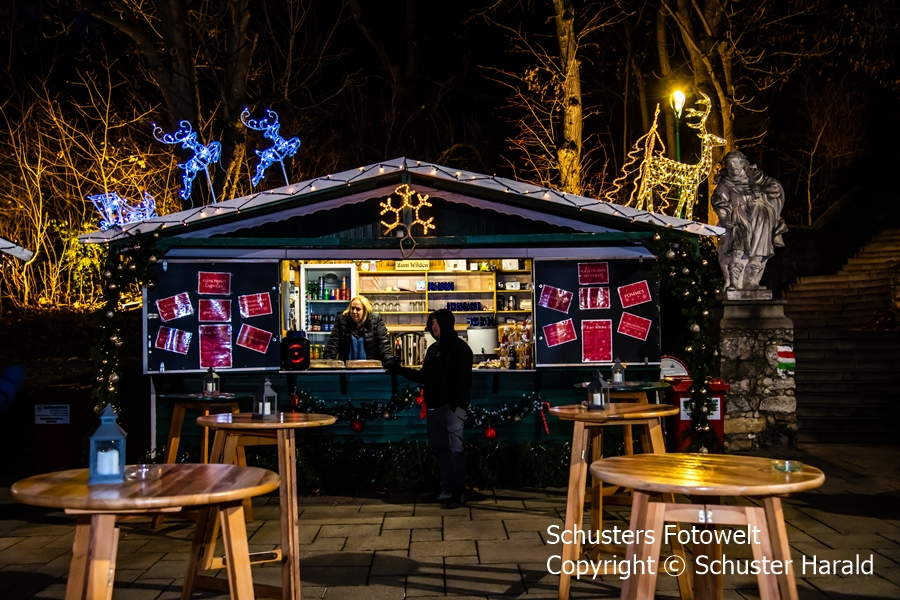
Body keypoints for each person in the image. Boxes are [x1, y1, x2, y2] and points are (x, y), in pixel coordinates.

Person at [391, 309, 473, 508]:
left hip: (451, 408)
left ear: (447, 323)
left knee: (455, 450)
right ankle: (446, 490)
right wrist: (399, 370)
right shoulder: (433, 349)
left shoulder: (460, 349)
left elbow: (464, 381)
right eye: (432, 323)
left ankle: (458, 493)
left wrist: (456, 406)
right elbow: (424, 376)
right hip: (434, 407)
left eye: (437, 322)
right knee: (442, 450)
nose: (434, 326)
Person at [712, 150, 788, 291]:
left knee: (759, 251)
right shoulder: (726, 182)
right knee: (738, 248)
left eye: (735, 162)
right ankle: (734, 283)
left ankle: (751, 282)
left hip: (761, 218)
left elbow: (775, 188)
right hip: (740, 216)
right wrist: (724, 217)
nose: (732, 166)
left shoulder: (757, 178)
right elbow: (719, 201)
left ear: (743, 163)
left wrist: (761, 189)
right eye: (729, 163)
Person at [323, 295, 394, 365]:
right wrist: (328, 363)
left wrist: (389, 361)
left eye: (358, 309)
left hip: (369, 367)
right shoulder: (342, 320)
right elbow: (333, 344)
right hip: (347, 368)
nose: (354, 311)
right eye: (352, 308)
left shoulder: (375, 321)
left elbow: (383, 344)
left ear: (365, 311)